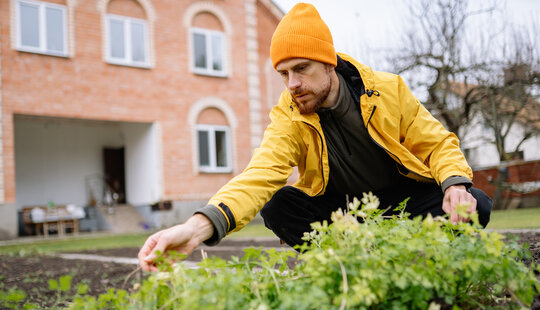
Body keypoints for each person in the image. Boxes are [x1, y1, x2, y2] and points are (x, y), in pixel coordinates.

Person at [138, 3, 492, 271]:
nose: (292, 84)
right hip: (345, 215)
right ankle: (346, 267)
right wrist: (196, 228)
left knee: (476, 202)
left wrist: (454, 187)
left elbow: (437, 143)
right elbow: (260, 175)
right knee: (278, 206)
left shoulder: (386, 90)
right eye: (283, 73)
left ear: (328, 63)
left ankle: (415, 262)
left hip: (402, 204)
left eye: (301, 69)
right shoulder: (288, 116)